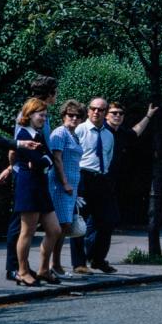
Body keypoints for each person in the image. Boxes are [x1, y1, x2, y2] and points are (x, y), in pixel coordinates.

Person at [0, 74, 57, 282]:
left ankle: (30, 268)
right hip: (27, 177)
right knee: (21, 227)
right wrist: (15, 166)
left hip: (37, 177)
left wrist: (42, 160)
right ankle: (16, 268)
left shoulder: (41, 117)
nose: (56, 97)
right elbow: (20, 148)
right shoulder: (28, 115)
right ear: (49, 94)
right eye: (55, 93)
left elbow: (44, 153)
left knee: (35, 227)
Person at [11, 98, 62, 286]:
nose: (44, 119)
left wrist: (43, 161)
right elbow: (36, 160)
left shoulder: (38, 135)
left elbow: (46, 158)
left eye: (45, 115)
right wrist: (42, 161)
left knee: (54, 229)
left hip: (41, 185)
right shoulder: (23, 134)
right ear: (30, 114)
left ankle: (43, 269)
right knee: (28, 231)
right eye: (41, 115)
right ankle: (22, 271)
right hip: (29, 186)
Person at [70, 97, 118, 274]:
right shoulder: (80, 130)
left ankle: (97, 259)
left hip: (101, 178)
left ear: (105, 113)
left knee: (107, 221)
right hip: (83, 177)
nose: (96, 112)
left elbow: (108, 157)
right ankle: (79, 263)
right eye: (93, 109)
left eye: (101, 109)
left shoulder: (109, 135)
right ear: (88, 111)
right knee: (79, 221)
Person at [47, 100, 85, 275]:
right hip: (61, 185)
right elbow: (57, 159)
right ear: (63, 116)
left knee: (64, 226)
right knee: (60, 226)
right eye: (71, 115)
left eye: (78, 116)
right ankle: (52, 264)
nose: (74, 118)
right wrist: (64, 183)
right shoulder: (60, 133)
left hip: (71, 186)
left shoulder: (74, 135)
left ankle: (56, 264)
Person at [105, 100, 158, 224]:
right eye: (114, 113)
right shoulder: (102, 130)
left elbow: (135, 132)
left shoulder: (121, 132)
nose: (117, 115)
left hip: (114, 179)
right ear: (106, 115)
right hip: (100, 177)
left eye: (121, 113)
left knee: (109, 219)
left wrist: (148, 116)